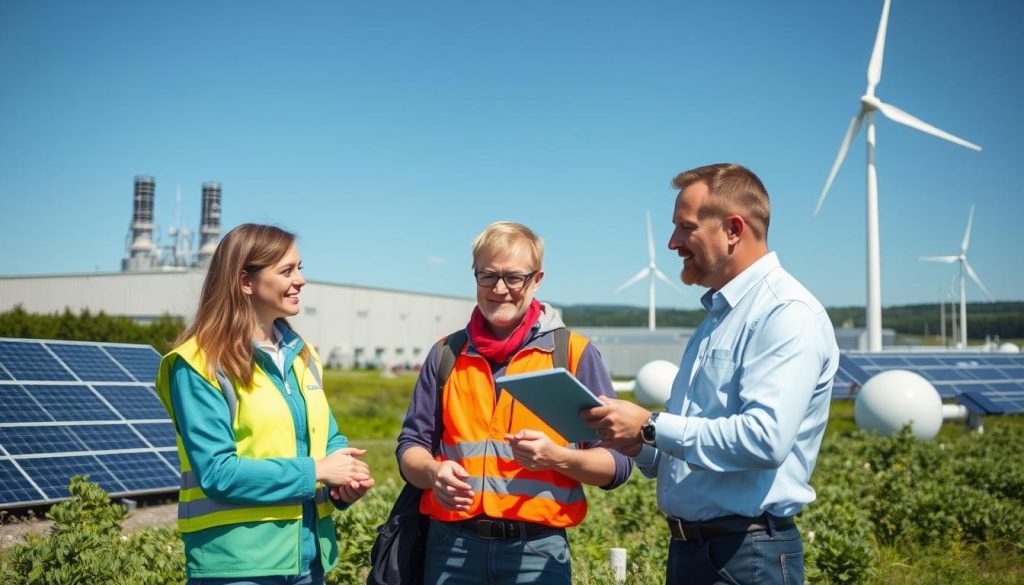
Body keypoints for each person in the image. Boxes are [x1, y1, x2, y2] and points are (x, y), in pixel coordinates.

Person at [583, 164, 838, 585]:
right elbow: (694, 448)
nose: (672, 243)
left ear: (733, 229)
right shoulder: (716, 320)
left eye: (686, 228)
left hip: (744, 556)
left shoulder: (785, 313)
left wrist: (650, 425)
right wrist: (635, 441)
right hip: (696, 552)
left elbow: (763, 439)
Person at [397, 221, 633, 585]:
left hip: (537, 552)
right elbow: (411, 447)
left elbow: (617, 463)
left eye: (514, 278)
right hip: (451, 546)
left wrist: (559, 458)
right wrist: (433, 473)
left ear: (537, 280)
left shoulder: (571, 354)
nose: (500, 289)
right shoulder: (446, 353)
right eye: (487, 276)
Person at [155, 223, 374, 585]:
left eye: (300, 268)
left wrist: (345, 479)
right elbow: (217, 473)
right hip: (238, 566)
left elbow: (326, 437)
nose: (301, 280)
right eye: (287, 271)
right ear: (245, 282)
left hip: (307, 560)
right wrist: (318, 471)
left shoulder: (302, 354)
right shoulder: (198, 363)